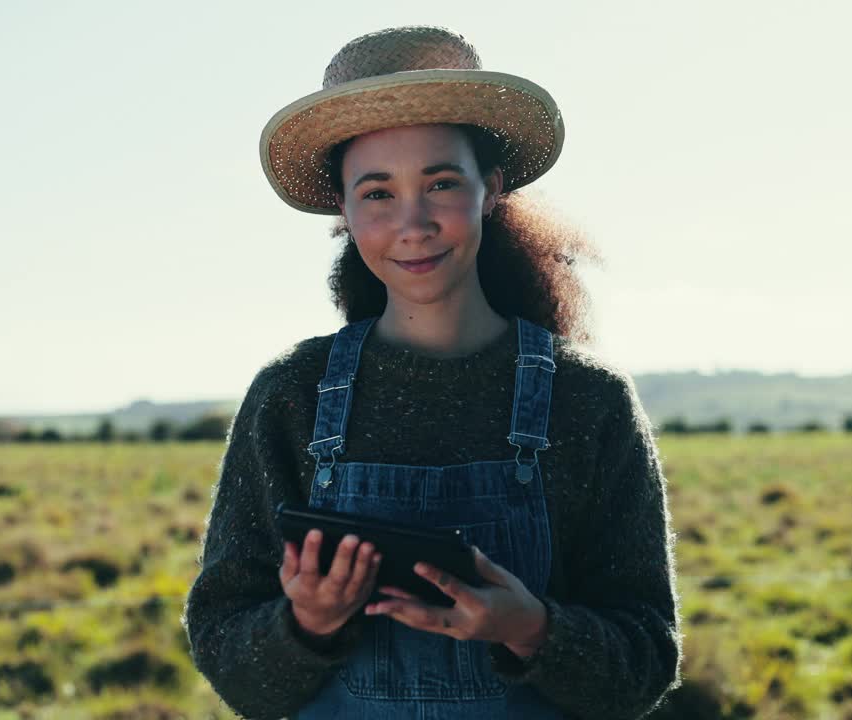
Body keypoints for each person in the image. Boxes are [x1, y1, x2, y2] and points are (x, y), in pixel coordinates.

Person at [183, 25, 682, 720]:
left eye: (441, 183)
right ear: (344, 213)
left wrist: (529, 627)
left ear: (491, 190)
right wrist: (306, 625)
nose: (412, 224)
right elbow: (229, 660)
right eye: (378, 193)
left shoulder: (587, 400)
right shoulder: (291, 396)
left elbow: (644, 664)